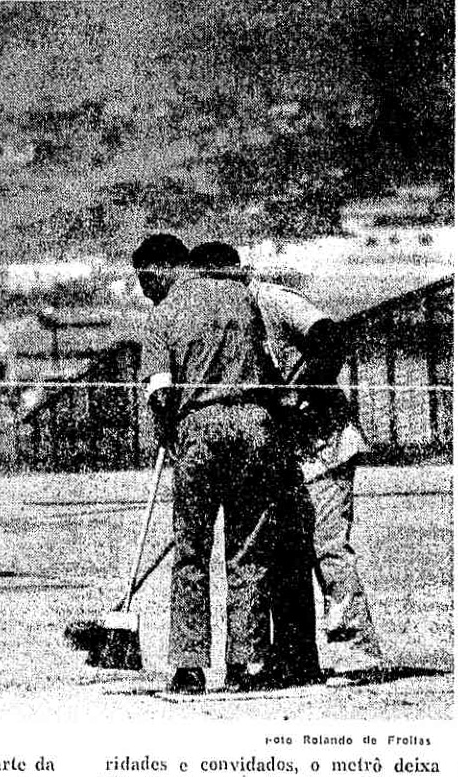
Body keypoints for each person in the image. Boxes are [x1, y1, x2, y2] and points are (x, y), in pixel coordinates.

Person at [136, 233, 319, 693]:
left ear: (165, 272)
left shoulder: (165, 313)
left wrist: (169, 434)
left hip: (199, 431)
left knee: (191, 553)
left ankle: (190, 665)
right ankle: (246, 663)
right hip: (255, 430)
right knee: (247, 551)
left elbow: (160, 391)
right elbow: (271, 366)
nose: (144, 289)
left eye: (145, 279)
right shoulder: (246, 301)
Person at [189, 241, 382, 665]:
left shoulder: (272, 300)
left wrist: (295, 392)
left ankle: (359, 654)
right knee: (285, 552)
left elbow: (331, 339)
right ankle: (297, 659)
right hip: (283, 452)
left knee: (327, 548)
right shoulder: (223, 319)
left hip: (325, 445)